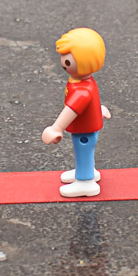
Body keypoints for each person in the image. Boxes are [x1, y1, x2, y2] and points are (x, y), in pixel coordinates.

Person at [42, 27, 106, 199]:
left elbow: (71, 109)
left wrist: (56, 128)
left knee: (83, 151)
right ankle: (87, 171)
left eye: (68, 61)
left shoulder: (82, 91)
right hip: (87, 125)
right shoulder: (84, 82)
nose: (63, 63)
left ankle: (85, 181)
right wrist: (97, 110)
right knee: (84, 151)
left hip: (84, 129)